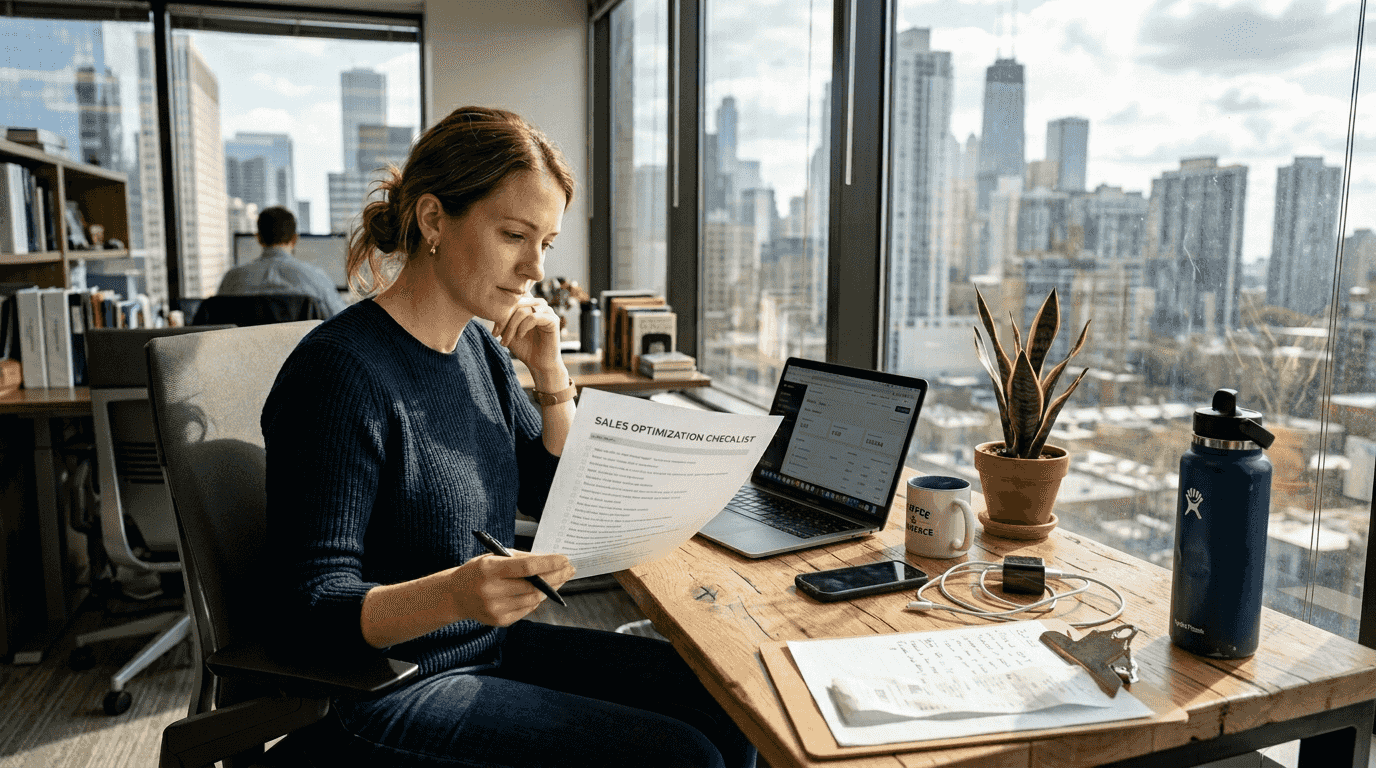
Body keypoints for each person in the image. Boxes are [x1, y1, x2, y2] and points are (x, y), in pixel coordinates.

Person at [261, 106, 757, 768]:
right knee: (683, 757)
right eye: (514, 235)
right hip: (383, 687)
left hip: (486, 648)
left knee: (733, 702)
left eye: (545, 244)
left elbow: (552, 494)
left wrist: (550, 376)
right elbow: (308, 608)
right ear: (434, 220)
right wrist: (456, 593)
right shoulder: (339, 373)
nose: (534, 268)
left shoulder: (479, 351)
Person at [217, 206, 347, 317]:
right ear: (294, 239)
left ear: (258, 238)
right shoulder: (316, 278)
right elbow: (344, 321)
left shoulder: (230, 279)